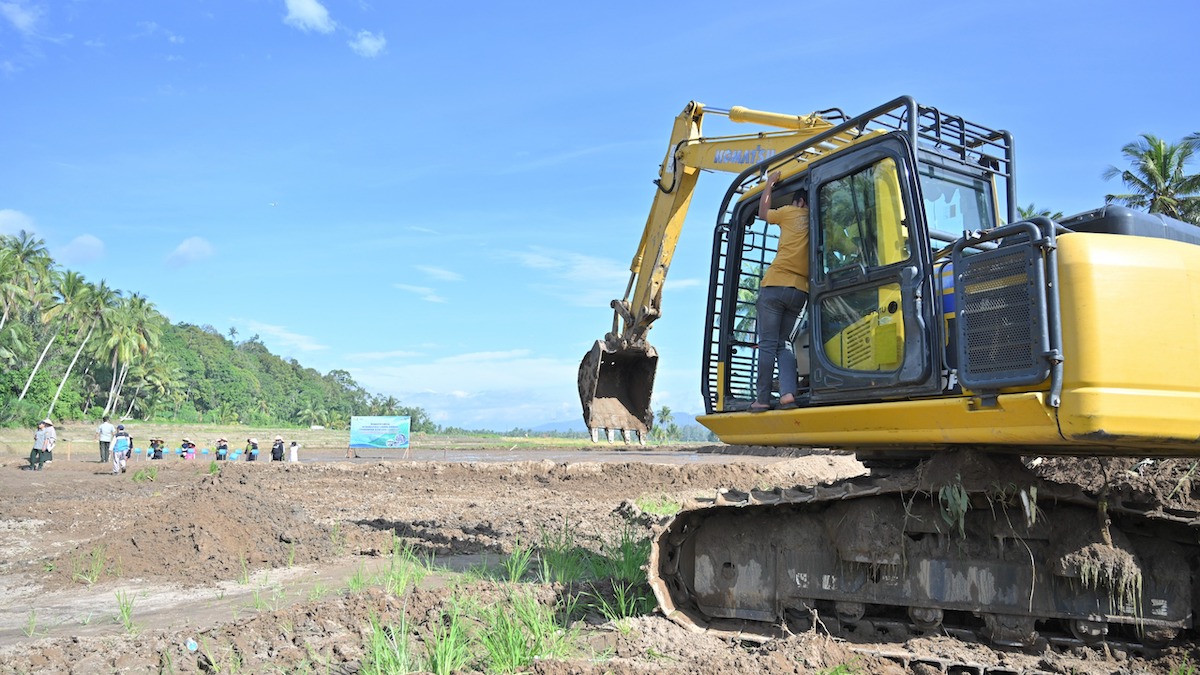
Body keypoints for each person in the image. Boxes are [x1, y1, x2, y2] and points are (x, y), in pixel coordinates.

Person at [752, 171, 810, 412]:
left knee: (767, 344)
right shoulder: (817, 221)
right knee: (783, 344)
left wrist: (769, 185)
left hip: (776, 285)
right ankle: (787, 394)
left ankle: (763, 399)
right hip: (800, 292)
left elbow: (763, 212)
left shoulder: (790, 212)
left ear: (799, 201)